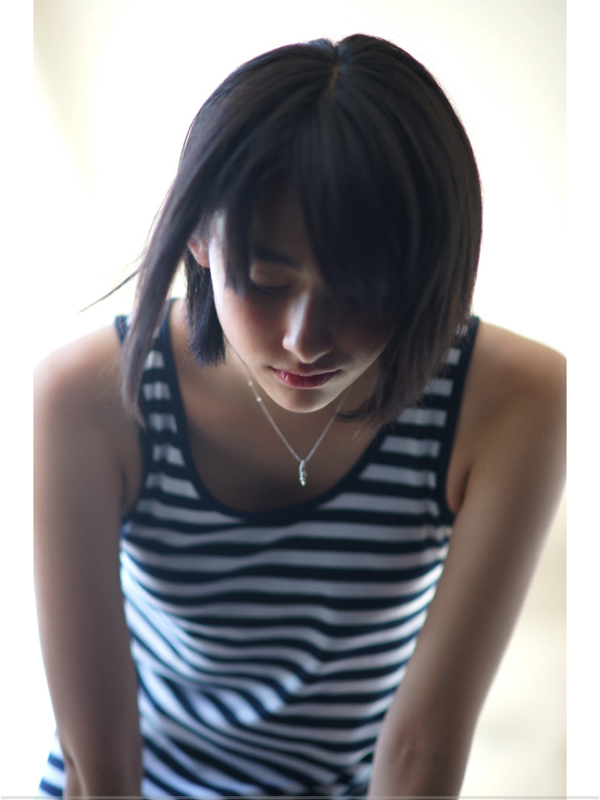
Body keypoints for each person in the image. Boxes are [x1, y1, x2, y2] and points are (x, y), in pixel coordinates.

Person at [34, 34, 566, 798]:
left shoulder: (514, 402)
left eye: (362, 292)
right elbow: (98, 762)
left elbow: (421, 750)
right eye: (265, 279)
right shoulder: (89, 396)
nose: (305, 339)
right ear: (199, 238)